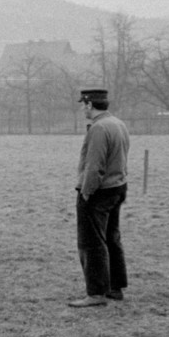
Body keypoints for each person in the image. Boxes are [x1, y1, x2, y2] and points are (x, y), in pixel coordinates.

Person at [69, 88, 130, 308]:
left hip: (98, 192)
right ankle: (115, 286)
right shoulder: (118, 123)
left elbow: (94, 166)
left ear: (88, 105)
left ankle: (95, 293)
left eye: (83, 105)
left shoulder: (98, 128)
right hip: (117, 188)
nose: (82, 109)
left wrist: (86, 192)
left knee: (91, 242)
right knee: (111, 238)